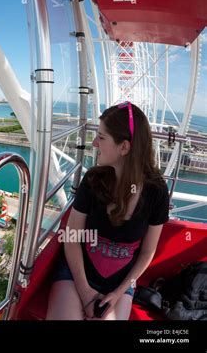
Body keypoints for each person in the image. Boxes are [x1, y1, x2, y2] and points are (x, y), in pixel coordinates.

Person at [46, 102, 170, 320]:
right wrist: (85, 293)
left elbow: (147, 252)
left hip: (120, 284)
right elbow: (72, 238)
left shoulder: (156, 192)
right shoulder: (93, 180)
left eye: (101, 138)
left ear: (124, 147)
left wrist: (118, 293)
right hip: (77, 274)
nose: (94, 143)